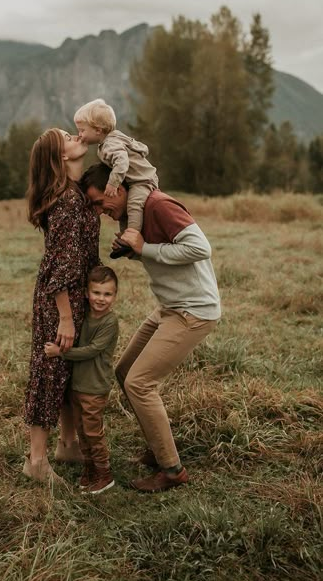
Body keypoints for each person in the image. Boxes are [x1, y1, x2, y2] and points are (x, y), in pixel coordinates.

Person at [80, 163, 221, 493]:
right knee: (125, 371)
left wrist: (145, 248)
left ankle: (172, 470)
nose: (102, 212)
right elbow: (159, 252)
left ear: (117, 188)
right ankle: (160, 447)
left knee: (140, 383)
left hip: (193, 311)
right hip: (169, 308)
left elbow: (201, 249)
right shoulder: (134, 214)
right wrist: (131, 251)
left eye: (102, 203)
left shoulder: (158, 205)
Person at [23, 129, 100, 483]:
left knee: (69, 371)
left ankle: (68, 444)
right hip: (60, 300)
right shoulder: (67, 201)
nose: (76, 135)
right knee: (49, 372)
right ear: (62, 156)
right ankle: (35, 461)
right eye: (68, 136)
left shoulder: (75, 192)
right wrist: (66, 318)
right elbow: (61, 267)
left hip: (75, 294)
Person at [44, 266, 119, 494]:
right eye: (96, 293)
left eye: (107, 294)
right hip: (78, 386)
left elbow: (92, 350)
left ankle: (104, 473)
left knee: (94, 432)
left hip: (95, 387)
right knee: (82, 430)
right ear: (87, 293)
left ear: (115, 296)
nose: (101, 299)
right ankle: (90, 468)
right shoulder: (83, 315)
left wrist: (61, 352)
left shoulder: (109, 322)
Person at [74, 98, 158, 257]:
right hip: (135, 181)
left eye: (82, 130)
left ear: (97, 130)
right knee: (122, 212)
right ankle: (125, 241)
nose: (80, 135)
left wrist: (113, 183)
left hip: (143, 180)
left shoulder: (110, 144)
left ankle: (131, 237)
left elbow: (122, 162)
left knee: (133, 205)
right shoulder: (111, 141)